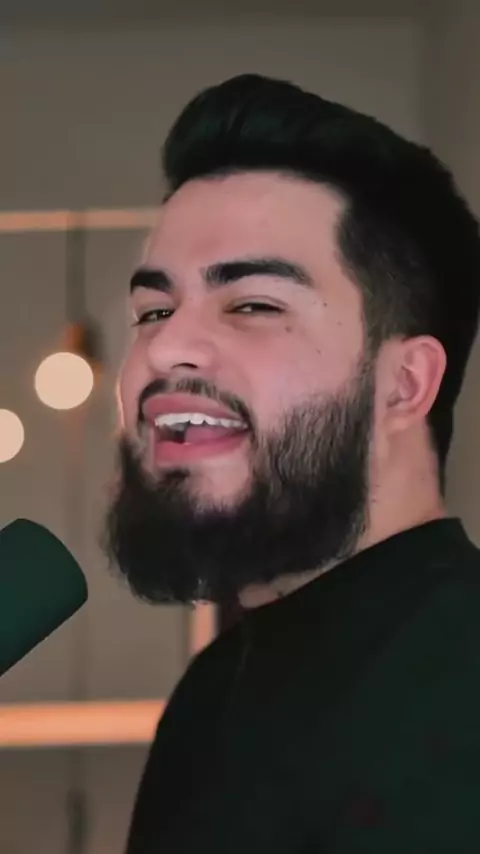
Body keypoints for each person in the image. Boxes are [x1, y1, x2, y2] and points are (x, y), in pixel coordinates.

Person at [104, 74, 480, 852]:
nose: (165, 347)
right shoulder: (214, 692)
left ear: (404, 384)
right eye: (154, 310)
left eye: (252, 305)